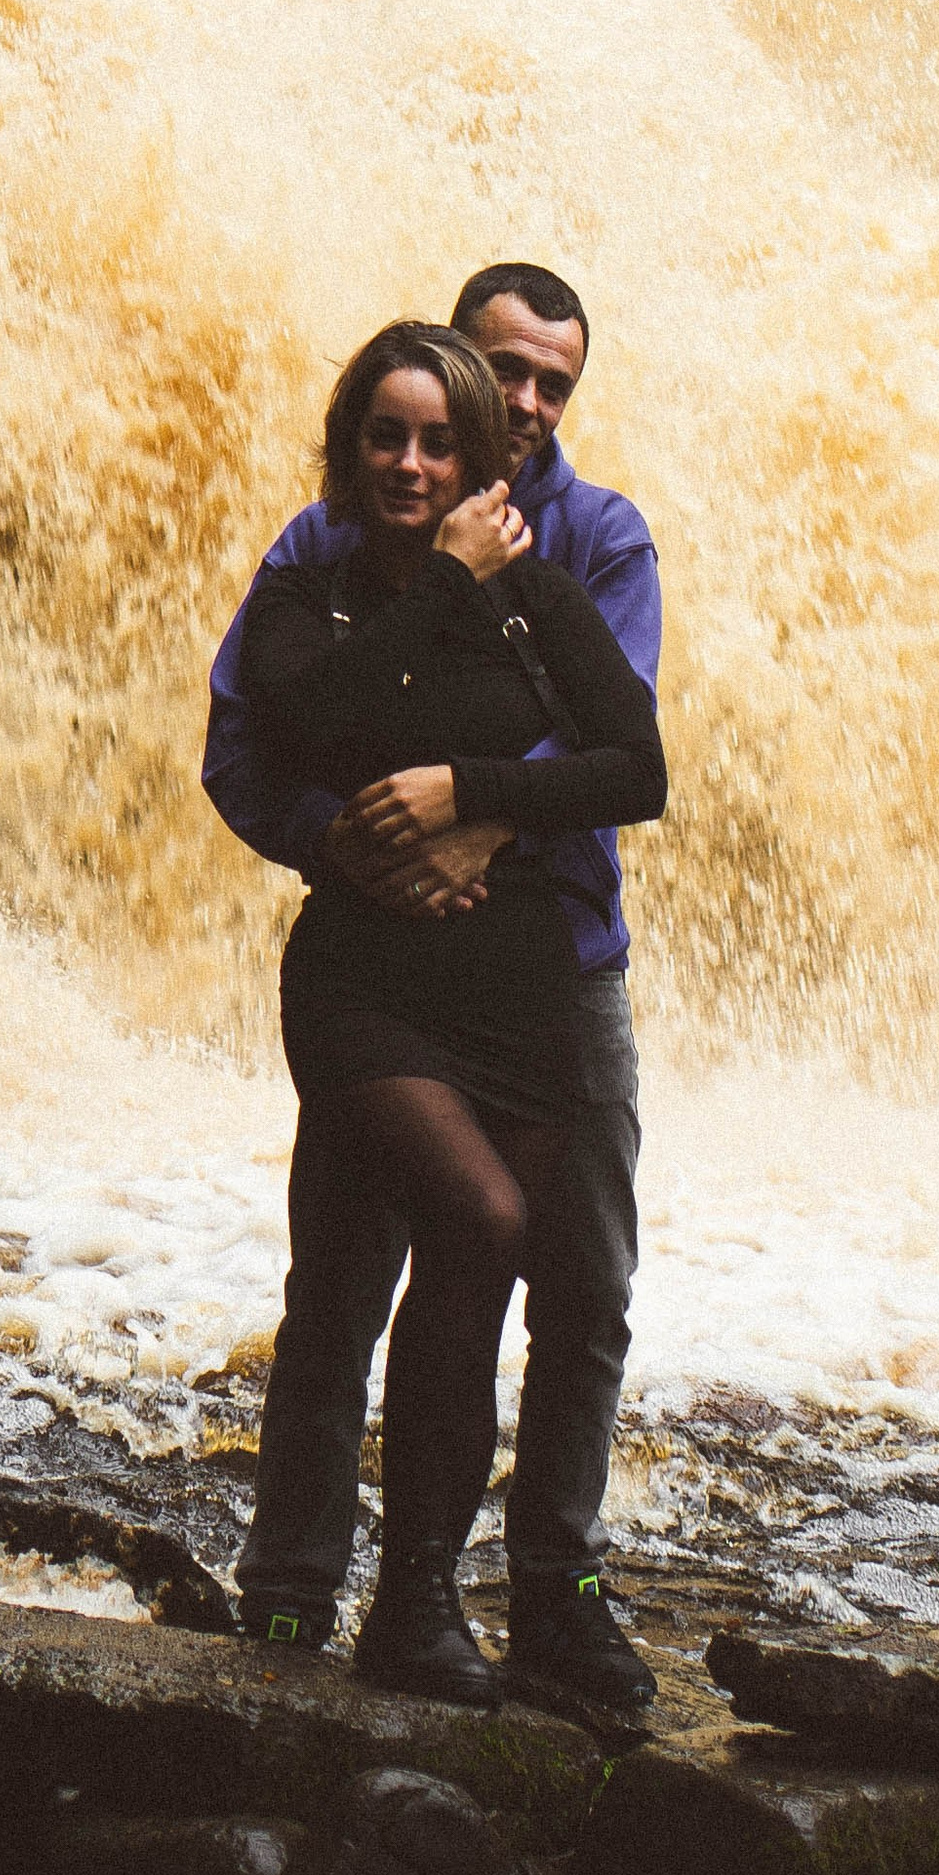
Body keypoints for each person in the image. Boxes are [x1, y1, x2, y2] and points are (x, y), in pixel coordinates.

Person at [205, 261, 663, 1724]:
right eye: (498, 372)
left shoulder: (587, 546)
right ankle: (296, 1584)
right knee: (354, 1274)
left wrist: (475, 806)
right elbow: (265, 741)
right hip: (376, 977)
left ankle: (539, 1594)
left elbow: (629, 759)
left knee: (569, 1284)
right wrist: (339, 841)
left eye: (548, 385)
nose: (520, 403)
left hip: (548, 968)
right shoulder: (321, 556)